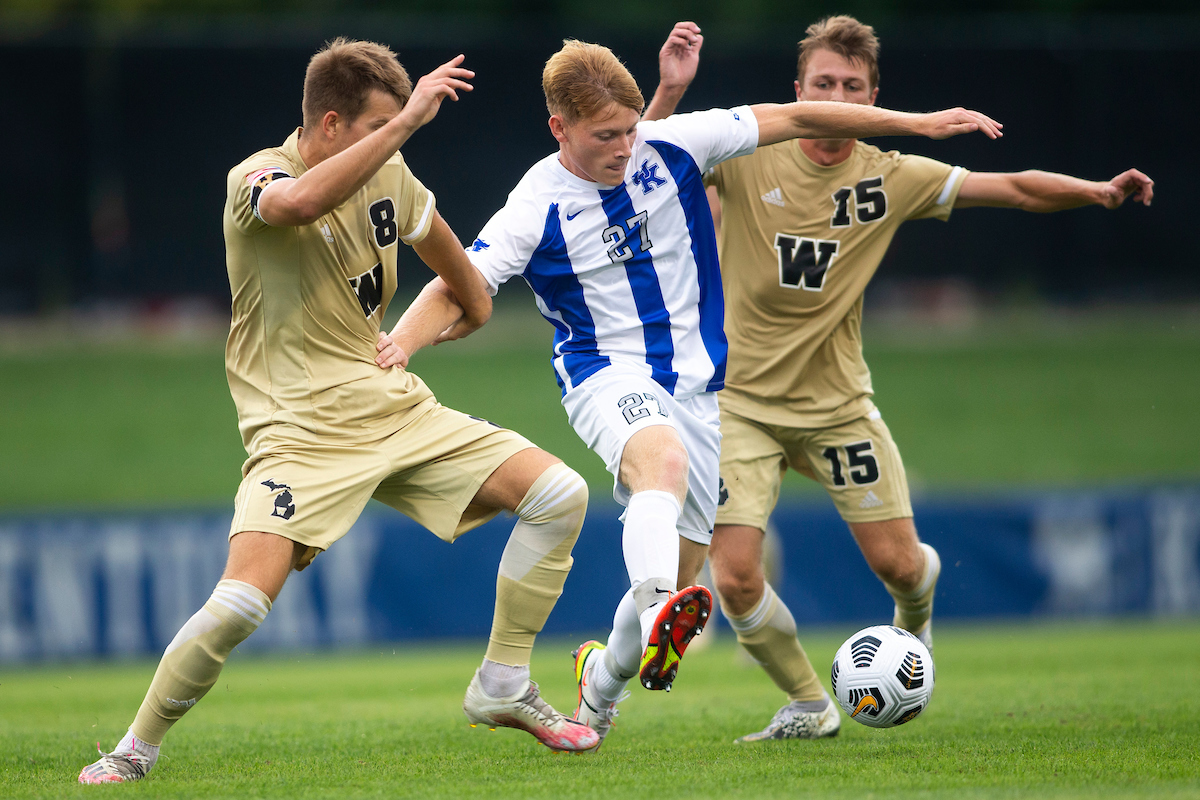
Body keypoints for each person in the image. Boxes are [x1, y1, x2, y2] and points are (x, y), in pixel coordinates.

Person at [389, 22, 1002, 749]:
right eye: (604, 137)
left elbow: (800, 116)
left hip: (699, 391)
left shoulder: (673, 142)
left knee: (682, 564)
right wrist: (399, 344)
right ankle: (657, 610)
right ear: (558, 127)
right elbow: (459, 283)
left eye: (628, 129)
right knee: (662, 473)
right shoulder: (537, 202)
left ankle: (599, 690)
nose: (623, 147)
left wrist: (915, 124)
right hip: (603, 374)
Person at [79, 38, 602, 784]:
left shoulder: (391, 171)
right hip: (297, 431)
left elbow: (465, 279)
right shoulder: (257, 177)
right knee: (237, 608)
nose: (391, 138)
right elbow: (298, 203)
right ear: (329, 123)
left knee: (559, 494)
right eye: (377, 125)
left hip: (391, 407)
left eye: (396, 125)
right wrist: (407, 125)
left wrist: (452, 320)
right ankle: (135, 748)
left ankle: (502, 684)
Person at [647, 15, 1154, 743]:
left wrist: (1095, 191)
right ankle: (807, 706)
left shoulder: (891, 175)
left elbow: (1008, 187)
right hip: (738, 405)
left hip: (837, 407)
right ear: (800, 90)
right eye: (824, 83)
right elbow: (646, 157)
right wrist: (668, 91)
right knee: (733, 579)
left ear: (873, 96)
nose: (838, 95)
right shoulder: (750, 149)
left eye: (853, 86)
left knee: (903, 568)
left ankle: (912, 629)